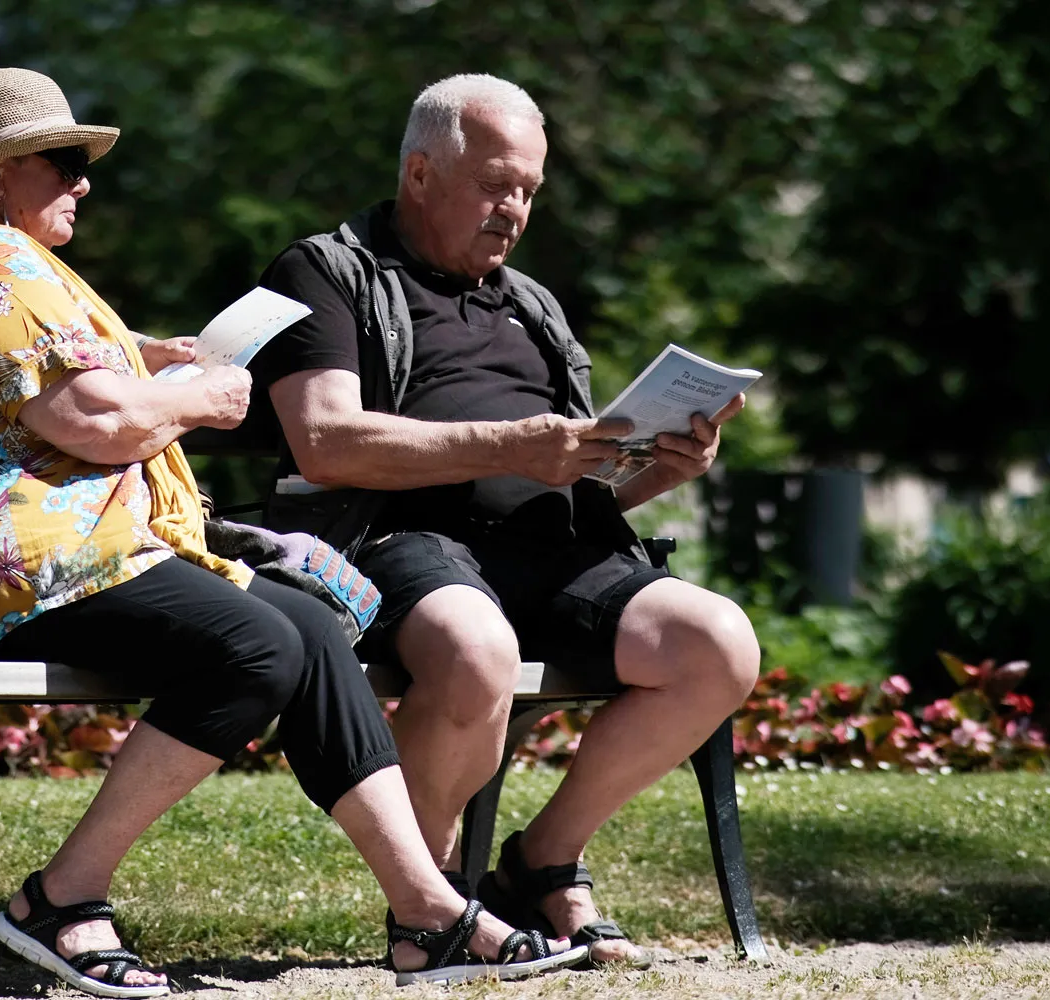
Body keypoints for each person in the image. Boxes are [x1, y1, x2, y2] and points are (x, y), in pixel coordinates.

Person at [0, 68, 585, 996]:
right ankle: (62, 898)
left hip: (53, 555)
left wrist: (140, 357)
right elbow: (101, 426)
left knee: (310, 628)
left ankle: (425, 912)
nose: (83, 182)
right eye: (64, 162)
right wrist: (193, 398)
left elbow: (60, 384)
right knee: (254, 642)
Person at [251, 74, 762, 968]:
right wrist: (507, 444)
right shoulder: (326, 272)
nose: (514, 208)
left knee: (717, 641)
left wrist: (657, 469)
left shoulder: (533, 305)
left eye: (528, 188)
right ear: (419, 173)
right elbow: (325, 440)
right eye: (495, 184)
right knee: (475, 646)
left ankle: (539, 862)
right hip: (403, 542)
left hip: (555, 551)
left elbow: (572, 480)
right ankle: (436, 909)